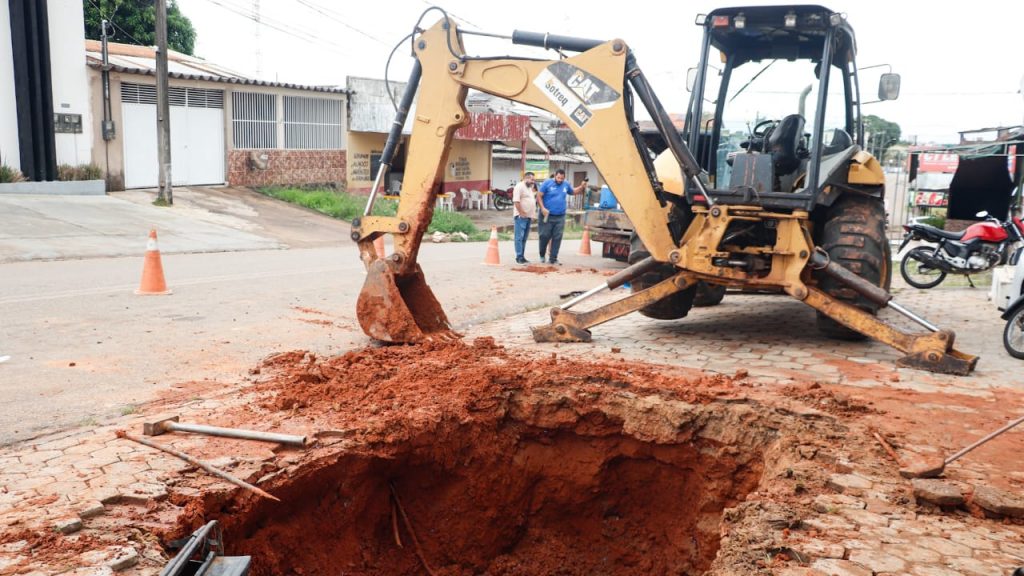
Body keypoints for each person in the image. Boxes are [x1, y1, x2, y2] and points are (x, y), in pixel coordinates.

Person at [537, 169, 587, 264]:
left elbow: (573, 192)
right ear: (555, 176)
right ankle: (542, 254)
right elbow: (539, 196)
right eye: (558, 178)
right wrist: (542, 208)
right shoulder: (547, 183)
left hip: (560, 216)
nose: (560, 180)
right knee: (544, 235)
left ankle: (553, 258)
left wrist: (581, 187)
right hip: (547, 215)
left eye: (562, 178)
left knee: (557, 237)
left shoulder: (566, 184)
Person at [511, 172, 537, 264]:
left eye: (534, 180)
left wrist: (533, 215)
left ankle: (522, 256)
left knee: (524, 238)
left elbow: (531, 201)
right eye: (532, 179)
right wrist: (521, 213)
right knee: (519, 237)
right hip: (520, 217)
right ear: (526, 178)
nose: (533, 181)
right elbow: (516, 201)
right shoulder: (519, 186)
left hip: (528, 217)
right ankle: (519, 256)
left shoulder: (529, 188)